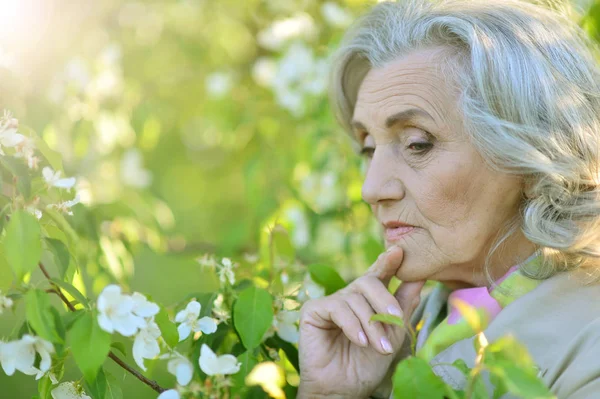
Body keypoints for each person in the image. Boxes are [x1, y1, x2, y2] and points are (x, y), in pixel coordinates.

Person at [297, 0, 600, 398]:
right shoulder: (401, 331)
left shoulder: (587, 345)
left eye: (417, 144)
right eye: (369, 148)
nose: (370, 189)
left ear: (533, 157)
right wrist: (328, 394)